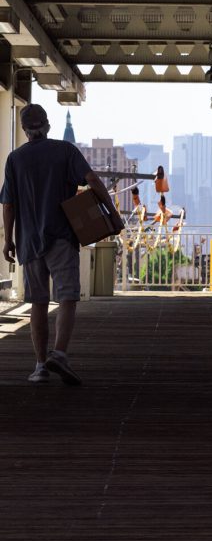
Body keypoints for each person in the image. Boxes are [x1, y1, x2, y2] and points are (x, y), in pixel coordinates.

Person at [0, 103, 121, 386]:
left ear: (24, 129)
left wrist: (8, 240)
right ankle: (61, 354)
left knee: (38, 303)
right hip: (61, 237)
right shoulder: (65, 151)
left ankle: (40, 366)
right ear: (48, 126)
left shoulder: (14, 159)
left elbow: (8, 203)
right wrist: (111, 214)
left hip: (29, 242)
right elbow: (92, 180)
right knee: (67, 297)